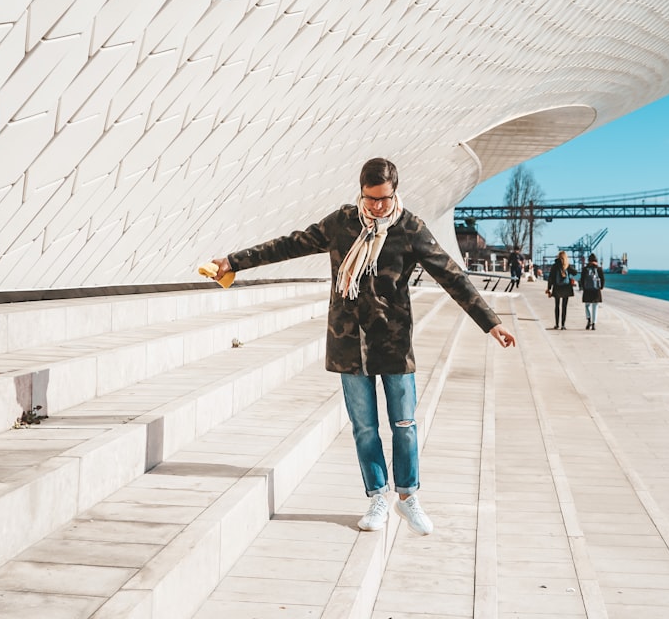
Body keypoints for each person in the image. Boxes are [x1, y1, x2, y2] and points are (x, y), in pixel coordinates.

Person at [207, 158, 516, 536]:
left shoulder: (410, 228)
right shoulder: (342, 224)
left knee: (403, 423)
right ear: (361, 192)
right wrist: (234, 261)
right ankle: (377, 497)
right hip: (347, 342)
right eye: (370, 200)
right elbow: (289, 245)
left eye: (384, 199)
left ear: (394, 192)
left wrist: (491, 323)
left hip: (394, 343)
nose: (377, 208)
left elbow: (451, 275)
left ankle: (408, 497)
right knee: (364, 428)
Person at [545, 250, 577, 329]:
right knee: (564, 306)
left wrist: (549, 288)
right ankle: (563, 325)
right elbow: (575, 272)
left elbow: (551, 278)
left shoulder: (555, 266)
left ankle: (557, 324)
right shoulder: (567, 266)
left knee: (557, 306)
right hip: (566, 288)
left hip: (557, 287)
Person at [579, 253, 605, 330]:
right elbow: (602, 279)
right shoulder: (599, 269)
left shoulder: (585, 269)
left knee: (587, 305)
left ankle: (588, 319)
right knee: (595, 306)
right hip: (596, 290)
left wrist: (583, 287)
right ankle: (593, 323)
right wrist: (601, 287)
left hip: (587, 290)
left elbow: (582, 279)